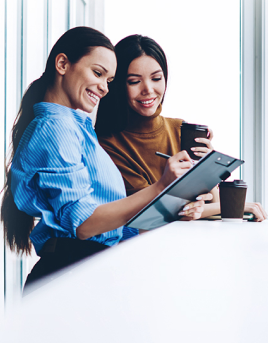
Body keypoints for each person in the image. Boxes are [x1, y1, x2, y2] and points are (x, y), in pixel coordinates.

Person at [1, 27, 212, 290]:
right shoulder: (56, 128)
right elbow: (84, 224)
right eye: (98, 73)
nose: (103, 87)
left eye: (109, 81)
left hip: (90, 270)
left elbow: (113, 227)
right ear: (63, 64)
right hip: (70, 275)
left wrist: (177, 210)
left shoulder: (77, 128)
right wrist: (161, 188)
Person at [95, 34, 267, 222]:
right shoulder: (107, 144)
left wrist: (209, 170)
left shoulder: (181, 129)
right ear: (119, 85)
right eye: (134, 81)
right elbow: (148, 212)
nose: (148, 89)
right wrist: (236, 207)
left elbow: (210, 206)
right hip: (145, 243)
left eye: (156, 78)